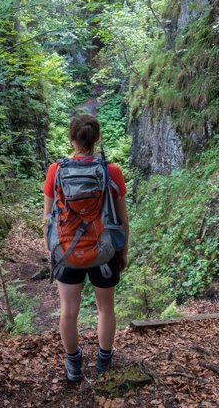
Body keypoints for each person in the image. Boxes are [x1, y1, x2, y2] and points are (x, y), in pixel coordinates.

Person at [43, 113, 129, 382]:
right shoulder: (110, 171)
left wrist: (52, 252)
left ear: (71, 138)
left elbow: (48, 219)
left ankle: (73, 365)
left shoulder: (56, 171)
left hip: (67, 252)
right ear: (97, 138)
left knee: (69, 311)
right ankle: (103, 361)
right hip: (103, 251)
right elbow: (122, 220)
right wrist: (122, 253)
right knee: (106, 309)